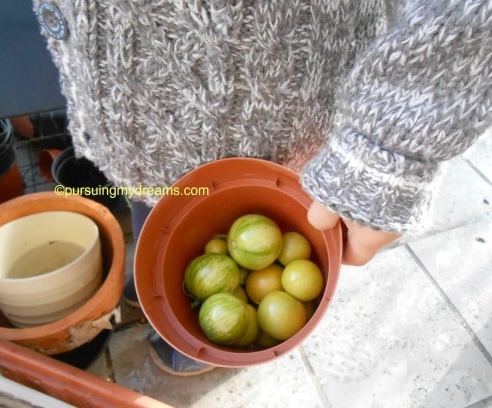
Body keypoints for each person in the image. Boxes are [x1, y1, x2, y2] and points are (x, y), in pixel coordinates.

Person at [33, 0, 492, 375]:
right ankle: (149, 288)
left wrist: (387, 149)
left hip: (280, 119)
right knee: (152, 211)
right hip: (137, 133)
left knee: (207, 241)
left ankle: (194, 342)